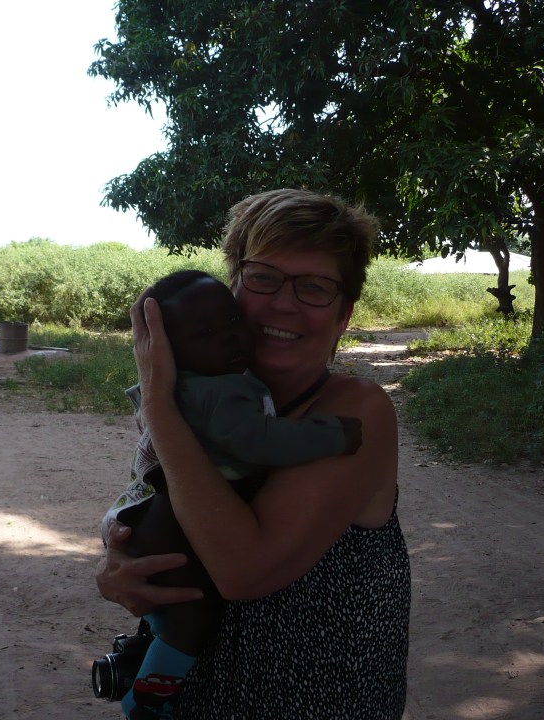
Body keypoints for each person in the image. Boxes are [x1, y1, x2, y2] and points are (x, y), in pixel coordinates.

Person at [96, 188, 412, 719]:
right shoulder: (215, 403)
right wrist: (118, 564)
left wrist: (157, 400)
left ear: (343, 315)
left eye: (315, 287)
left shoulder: (357, 411)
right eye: (264, 277)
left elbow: (244, 571)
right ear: (233, 289)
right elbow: (165, 504)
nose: (284, 304)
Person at [102, 269, 363, 718]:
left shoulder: (180, 389)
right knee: (189, 622)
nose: (228, 337)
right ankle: (145, 700)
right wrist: (331, 434)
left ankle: (151, 682)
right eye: (205, 333)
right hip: (170, 528)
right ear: (168, 351)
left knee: (179, 619)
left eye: (231, 321)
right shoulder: (219, 391)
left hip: (158, 518)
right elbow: (258, 440)